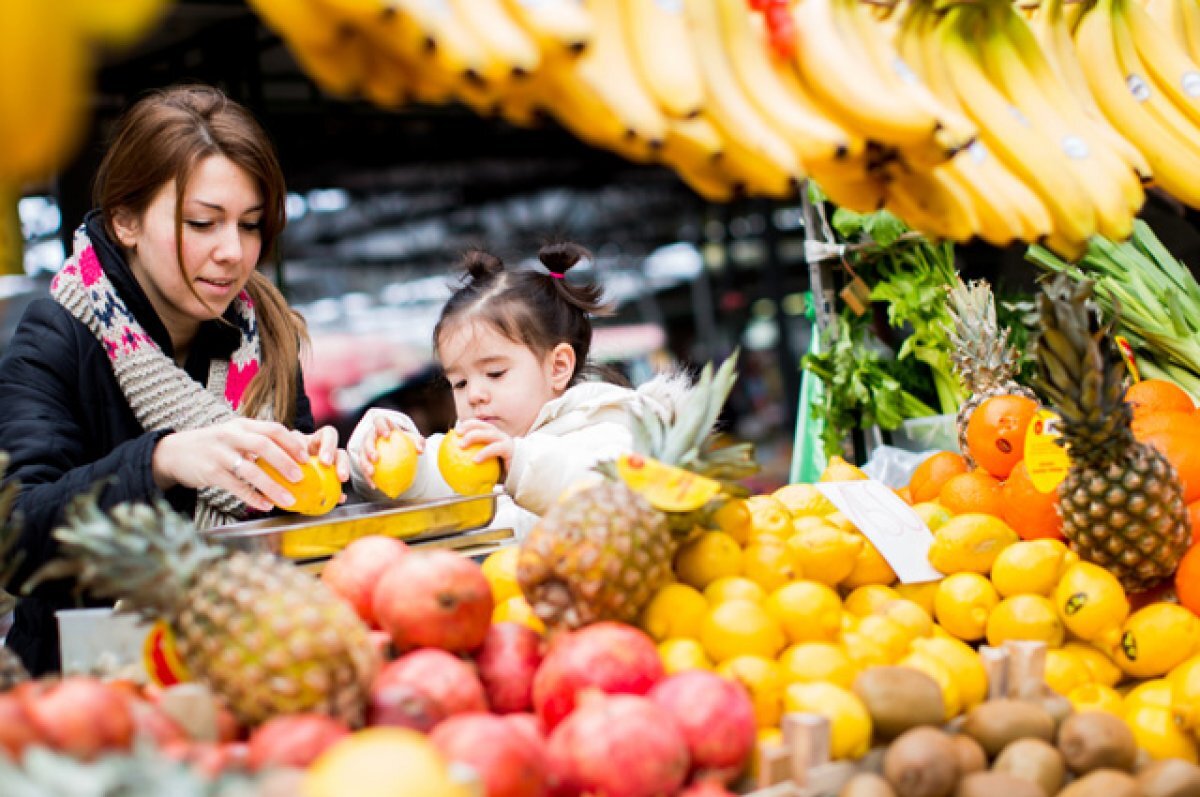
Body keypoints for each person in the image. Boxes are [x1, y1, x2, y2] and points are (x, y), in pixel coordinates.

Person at [0, 85, 347, 674]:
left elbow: (295, 526)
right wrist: (160, 461)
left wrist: (330, 472)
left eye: (252, 224)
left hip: (252, 667)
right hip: (93, 692)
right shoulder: (57, 338)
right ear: (126, 220)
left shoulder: (268, 338)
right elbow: (15, 541)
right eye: (202, 222)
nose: (233, 252)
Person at [347, 243, 692, 533]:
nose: (475, 394)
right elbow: (411, 484)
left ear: (557, 367)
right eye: (460, 382)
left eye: (495, 373)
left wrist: (520, 463)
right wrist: (377, 450)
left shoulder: (610, 424)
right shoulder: (474, 451)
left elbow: (605, 492)